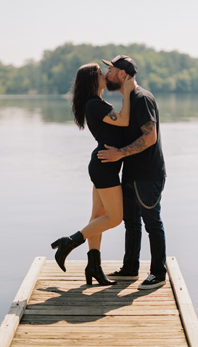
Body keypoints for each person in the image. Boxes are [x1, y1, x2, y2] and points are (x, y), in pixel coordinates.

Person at [51, 62, 135, 285]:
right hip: (104, 166)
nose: (105, 75)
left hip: (103, 164)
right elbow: (124, 120)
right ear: (92, 79)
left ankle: (94, 266)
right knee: (115, 218)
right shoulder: (95, 104)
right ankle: (69, 242)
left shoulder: (96, 103)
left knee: (98, 216)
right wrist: (127, 93)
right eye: (100, 73)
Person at [96, 55, 169, 290]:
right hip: (132, 172)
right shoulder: (129, 99)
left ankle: (158, 273)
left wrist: (120, 154)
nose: (106, 74)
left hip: (148, 174)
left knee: (152, 223)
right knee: (131, 223)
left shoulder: (141, 98)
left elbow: (150, 137)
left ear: (123, 75)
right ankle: (130, 268)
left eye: (110, 70)